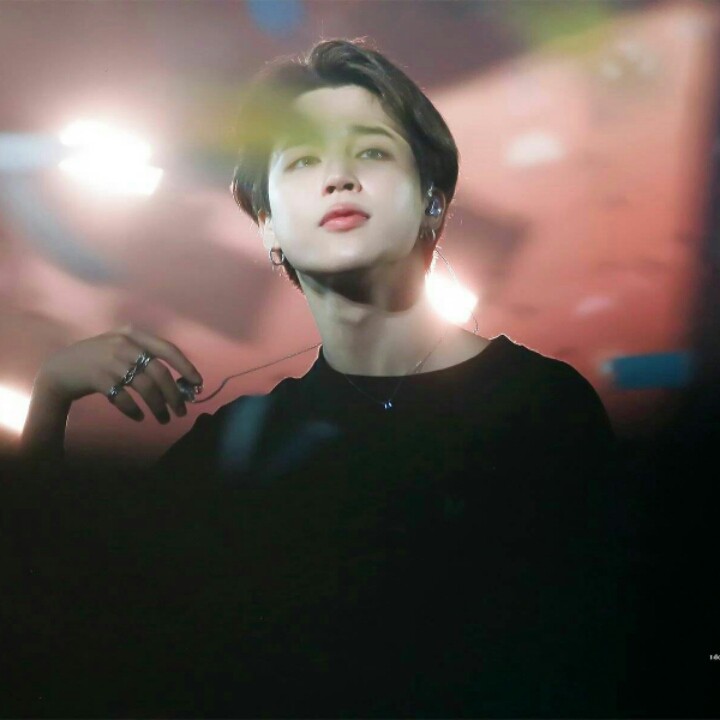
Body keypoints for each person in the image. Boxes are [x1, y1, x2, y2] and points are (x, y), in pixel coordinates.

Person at [16, 38, 626, 718]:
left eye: (372, 152)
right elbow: (65, 621)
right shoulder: (235, 455)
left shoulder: (542, 405)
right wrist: (52, 396)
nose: (338, 176)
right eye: (303, 161)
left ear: (432, 201)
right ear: (268, 227)